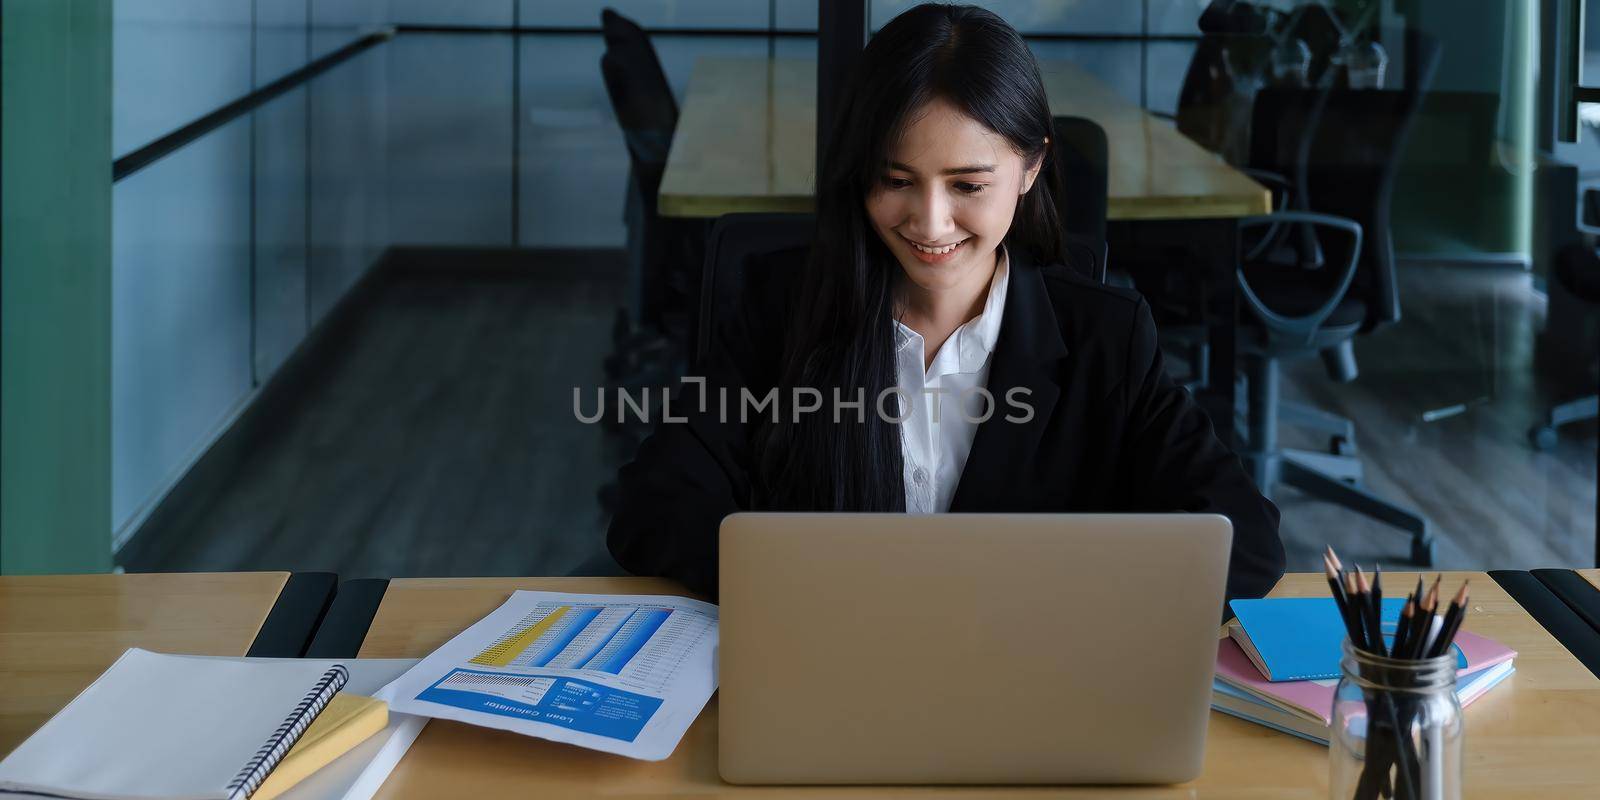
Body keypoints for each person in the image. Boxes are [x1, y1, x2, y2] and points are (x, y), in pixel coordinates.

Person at [606, 3, 1284, 602]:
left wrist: (1062, 601)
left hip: (1026, 694)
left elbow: (1245, 541)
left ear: (1031, 167)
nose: (929, 224)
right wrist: (814, 592)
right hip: (831, 674)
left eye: (967, 185)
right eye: (895, 180)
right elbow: (653, 507)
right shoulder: (781, 309)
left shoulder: (1106, 338)